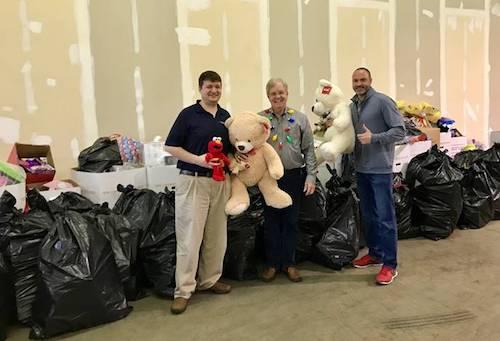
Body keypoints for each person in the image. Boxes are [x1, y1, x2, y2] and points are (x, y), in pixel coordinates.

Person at [165, 70, 232, 314]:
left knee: (217, 237)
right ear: (200, 89)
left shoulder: (225, 117)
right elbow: (170, 146)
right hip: (192, 181)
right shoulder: (188, 115)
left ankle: (209, 280)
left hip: (219, 183)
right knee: (189, 238)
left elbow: (231, 149)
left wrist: (237, 161)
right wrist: (198, 160)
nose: (214, 90)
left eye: (217, 86)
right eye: (209, 87)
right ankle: (183, 291)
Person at [350, 67, 405, 285]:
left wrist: (374, 138)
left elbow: (400, 131)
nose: (359, 83)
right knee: (369, 216)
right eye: (355, 80)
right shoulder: (353, 105)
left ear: (370, 80)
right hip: (361, 169)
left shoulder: (382, 101)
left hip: (380, 169)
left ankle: (390, 265)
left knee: (385, 217)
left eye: (363, 79)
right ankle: (375, 254)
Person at [258, 78, 316, 283]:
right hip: (268, 180)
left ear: (287, 93)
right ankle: (273, 264)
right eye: (274, 93)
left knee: (291, 221)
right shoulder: (260, 120)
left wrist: (311, 176)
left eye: (281, 92)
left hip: (293, 177)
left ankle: (290, 264)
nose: (278, 96)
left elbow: (309, 150)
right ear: (268, 96)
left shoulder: (300, 118)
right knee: (271, 222)